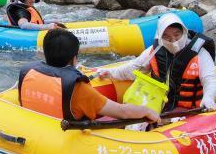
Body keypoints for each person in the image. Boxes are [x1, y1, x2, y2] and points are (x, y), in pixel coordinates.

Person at [18, 29, 160, 124]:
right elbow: (122, 112)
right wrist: (147, 110)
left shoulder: (27, 73)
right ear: (74, 59)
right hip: (64, 141)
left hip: (36, 129)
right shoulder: (78, 88)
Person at [95, 13, 216, 112]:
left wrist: (208, 97)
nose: (173, 41)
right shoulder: (155, 51)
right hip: (159, 105)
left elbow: (209, 79)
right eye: (167, 37)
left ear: (184, 32)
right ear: (160, 37)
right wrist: (110, 73)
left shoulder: (200, 53)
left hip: (189, 110)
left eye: (177, 35)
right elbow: (133, 69)